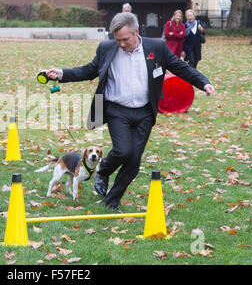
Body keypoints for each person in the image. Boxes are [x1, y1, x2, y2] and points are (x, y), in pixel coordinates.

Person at [46, 13, 215, 212]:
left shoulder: (156, 48)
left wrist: (203, 82)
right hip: (117, 110)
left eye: (125, 39)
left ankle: (112, 201)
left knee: (134, 162)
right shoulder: (107, 48)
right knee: (124, 150)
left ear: (136, 32)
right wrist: (62, 74)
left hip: (145, 112)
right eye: (117, 40)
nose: (121, 44)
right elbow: (89, 70)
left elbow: (180, 68)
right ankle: (103, 171)